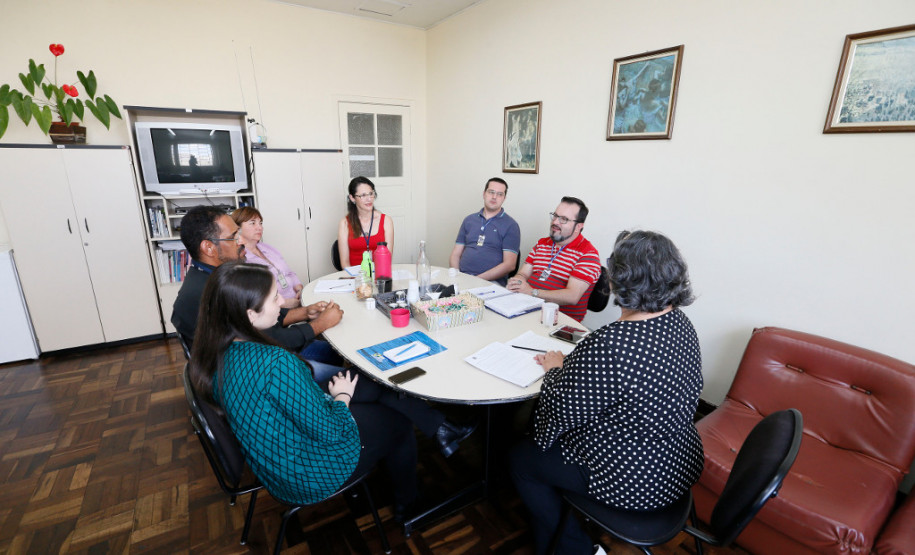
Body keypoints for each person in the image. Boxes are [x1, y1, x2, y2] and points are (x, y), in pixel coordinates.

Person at [509, 230, 704, 555]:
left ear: (617, 283)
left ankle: (576, 549)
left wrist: (555, 369)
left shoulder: (611, 344)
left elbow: (559, 414)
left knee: (522, 457)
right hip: (678, 459)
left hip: (636, 479)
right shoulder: (681, 323)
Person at [187, 262, 420, 514]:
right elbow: (330, 431)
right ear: (249, 314)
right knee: (400, 425)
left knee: (367, 384)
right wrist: (341, 397)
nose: (281, 302)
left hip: (274, 458)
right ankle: (409, 507)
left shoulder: (215, 353)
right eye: (274, 297)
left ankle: (439, 428)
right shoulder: (274, 361)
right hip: (308, 474)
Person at [171, 206, 343, 368]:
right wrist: (321, 323)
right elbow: (272, 338)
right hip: (257, 372)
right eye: (233, 237)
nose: (241, 241)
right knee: (342, 363)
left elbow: (263, 316)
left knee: (333, 353)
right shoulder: (217, 292)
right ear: (209, 247)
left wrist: (306, 312)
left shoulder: (214, 276)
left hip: (257, 359)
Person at [506, 197, 601, 322]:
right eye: (555, 216)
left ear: (578, 226)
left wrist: (531, 292)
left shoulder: (587, 254)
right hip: (526, 309)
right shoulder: (542, 243)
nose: (555, 222)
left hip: (559, 322)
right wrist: (517, 283)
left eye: (564, 219)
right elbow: (523, 273)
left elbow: (572, 296)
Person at [449, 177, 520, 286]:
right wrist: (457, 276)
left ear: (504, 198)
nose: (494, 197)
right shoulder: (469, 220)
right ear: (484, 194)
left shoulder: (511, 225)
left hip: (490, 282)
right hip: (462, 278)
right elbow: (455, 254)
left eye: (500, 194)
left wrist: (476, 280)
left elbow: (509, 265)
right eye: (491, 192)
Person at [231, 206, 303, 309]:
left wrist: (299, 290)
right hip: (275, 310)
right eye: (253, 223)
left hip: (297, 300)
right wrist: (283, 303)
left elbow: (290, 273)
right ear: (238, 229)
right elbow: (253, 297)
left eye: (260, 223)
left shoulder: (267, 248)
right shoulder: (240, 259)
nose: (259, 227)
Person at [337, 176, 394, 268]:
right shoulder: (344, 223)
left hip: (379, 274)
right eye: (363, 195)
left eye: (371, 193)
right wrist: (359, 279)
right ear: (352, 198)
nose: (369, 199)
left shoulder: (386, 220)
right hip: (355, 277)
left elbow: (387, 258)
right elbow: (345, 263)